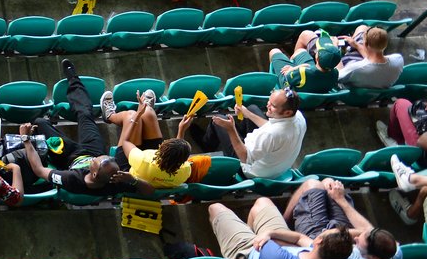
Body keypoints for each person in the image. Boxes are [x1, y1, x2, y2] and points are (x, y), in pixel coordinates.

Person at [20, 59, 154, 197]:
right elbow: (150, 191)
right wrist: (133, 180)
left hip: (69, 157)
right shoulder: (116, 181)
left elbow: (39, 170)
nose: (95, 159)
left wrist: (26, 139)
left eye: (97, 161)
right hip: (92, 150)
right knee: (85, 114)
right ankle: (73, 78)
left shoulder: (71, 179)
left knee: (39, 122)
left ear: (94, 173)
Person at [208, 197, 353, 259]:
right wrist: (271, 233)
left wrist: (269, 234)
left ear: (318, 241)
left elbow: (260, 242)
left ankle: (242, 233)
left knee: (215, 208)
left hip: (246, 257)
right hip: (272, 253)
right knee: (263, 202)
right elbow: (300, 237)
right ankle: (248, 229)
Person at [282, 177, 402, 259]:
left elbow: (321, 240)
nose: (355, 238)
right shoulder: (395, 254)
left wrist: (349, 232)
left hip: (321, 239)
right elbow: (367, 230)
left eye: (359, 243)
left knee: (312, 184)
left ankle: (285, 220)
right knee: (329, 184)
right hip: (339, 238)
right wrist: (340, 199)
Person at [187, 87, 307, 179]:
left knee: (219, 119)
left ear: (287, 112)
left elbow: (245, 158)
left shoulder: (271, 134)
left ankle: (206, 144)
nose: (267, 105)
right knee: (252, 108)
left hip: (250, 169)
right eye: (269, 101)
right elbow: (270, 126)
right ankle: (236, 132)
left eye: (273, 106)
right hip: (276, 165)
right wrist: (247, 114)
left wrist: (231, 129)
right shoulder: (298, 117)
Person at [269, 29, 341, 93]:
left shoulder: (302, 72)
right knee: (301, 51)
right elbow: (308, 67)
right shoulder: (335, 73)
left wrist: (292, 69)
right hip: (315, 85)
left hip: (293, 90)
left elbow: (287, 76)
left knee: (274, 51)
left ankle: (273, 89)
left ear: (317, 58)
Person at [336, 26, 404, 90]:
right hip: (376, 95)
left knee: (362, 28)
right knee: (363, 28)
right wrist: (356, 45)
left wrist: (335, 49)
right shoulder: (398, 60)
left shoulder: (356, 68)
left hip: (354, 95)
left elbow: (337, 76)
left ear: (364, 43)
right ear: (385, 44)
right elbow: (374, 61)